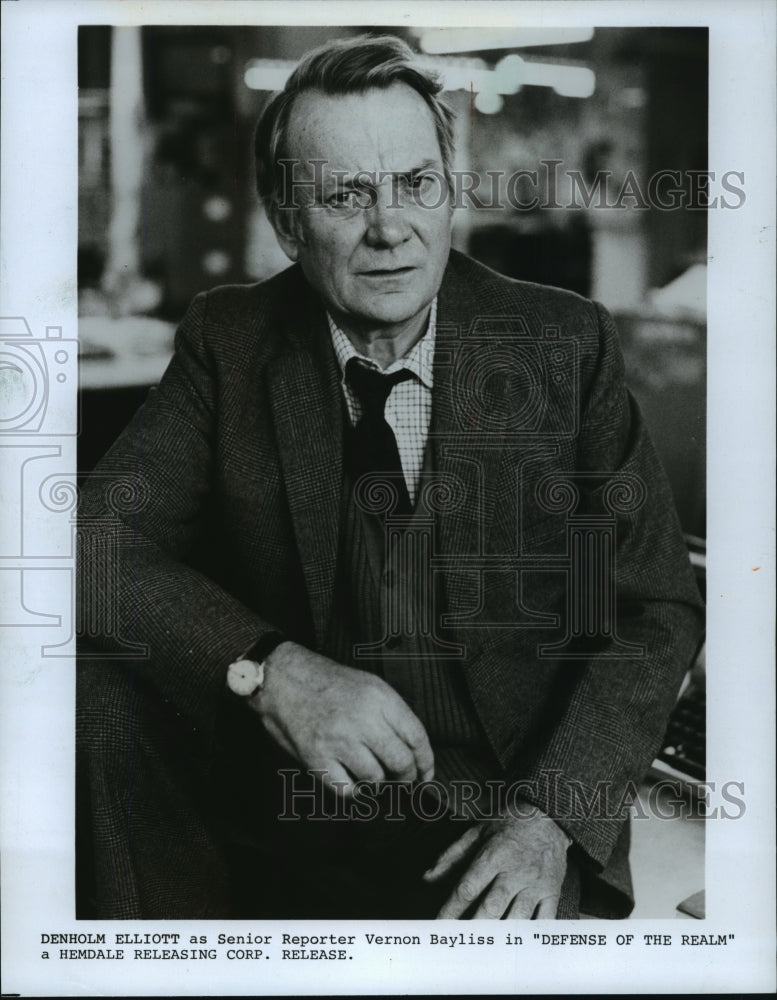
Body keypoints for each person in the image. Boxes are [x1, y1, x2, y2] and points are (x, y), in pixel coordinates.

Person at [76, 34, 704, 920]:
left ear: (449, 191)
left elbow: (652, 606)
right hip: (285, 791)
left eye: (415, 183)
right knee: (85, 681)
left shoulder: (561, 344)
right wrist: (269, 670)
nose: (390, 228)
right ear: (287, 221)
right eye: (346, 195)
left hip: (498, 808)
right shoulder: (233, 340)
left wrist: (549, 817)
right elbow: (91, 541)